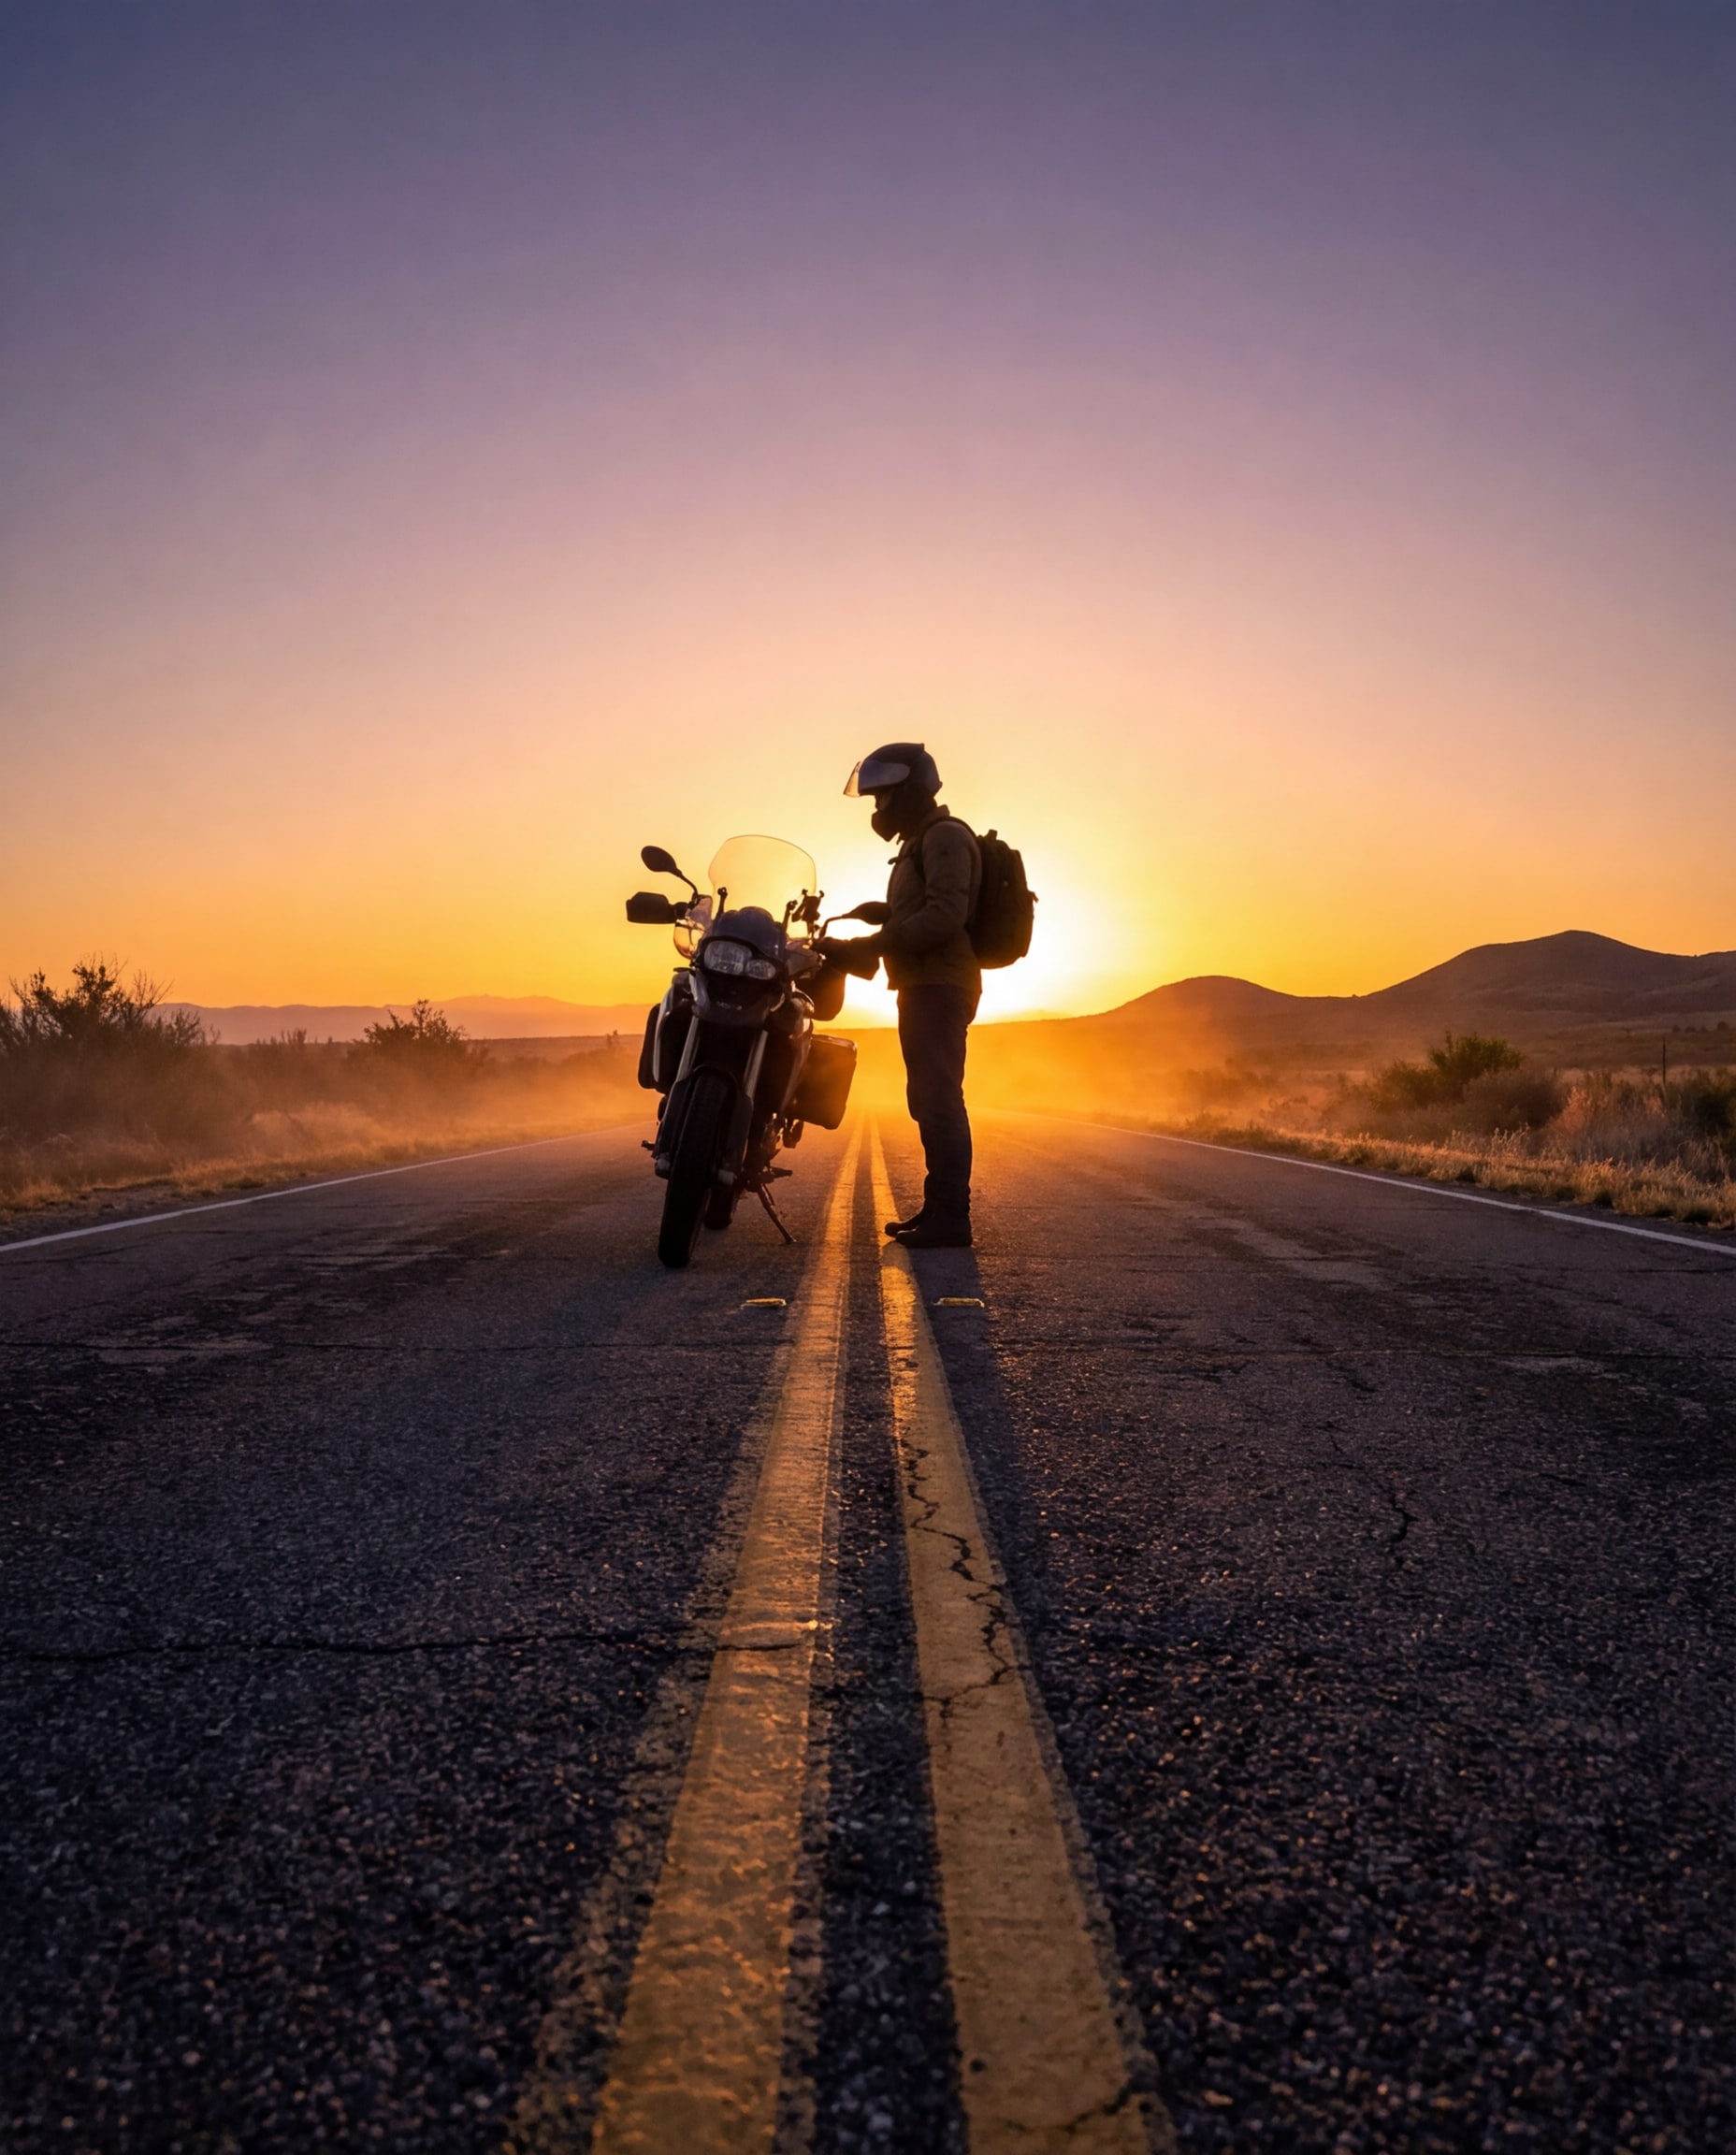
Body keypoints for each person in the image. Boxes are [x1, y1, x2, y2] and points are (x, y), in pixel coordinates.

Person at [830, 743, 981, 1249]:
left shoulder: (943, 837)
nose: (879, 810)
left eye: (885, 798)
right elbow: (919, 908)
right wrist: (880, 919)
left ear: (912, 791)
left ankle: (952, 1218)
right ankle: (938, 1209)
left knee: (938, 1100)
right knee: (927, 1099)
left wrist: (873, 944)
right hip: (922, 984)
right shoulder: (919, 841)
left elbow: (943, 915)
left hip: (940, 985)